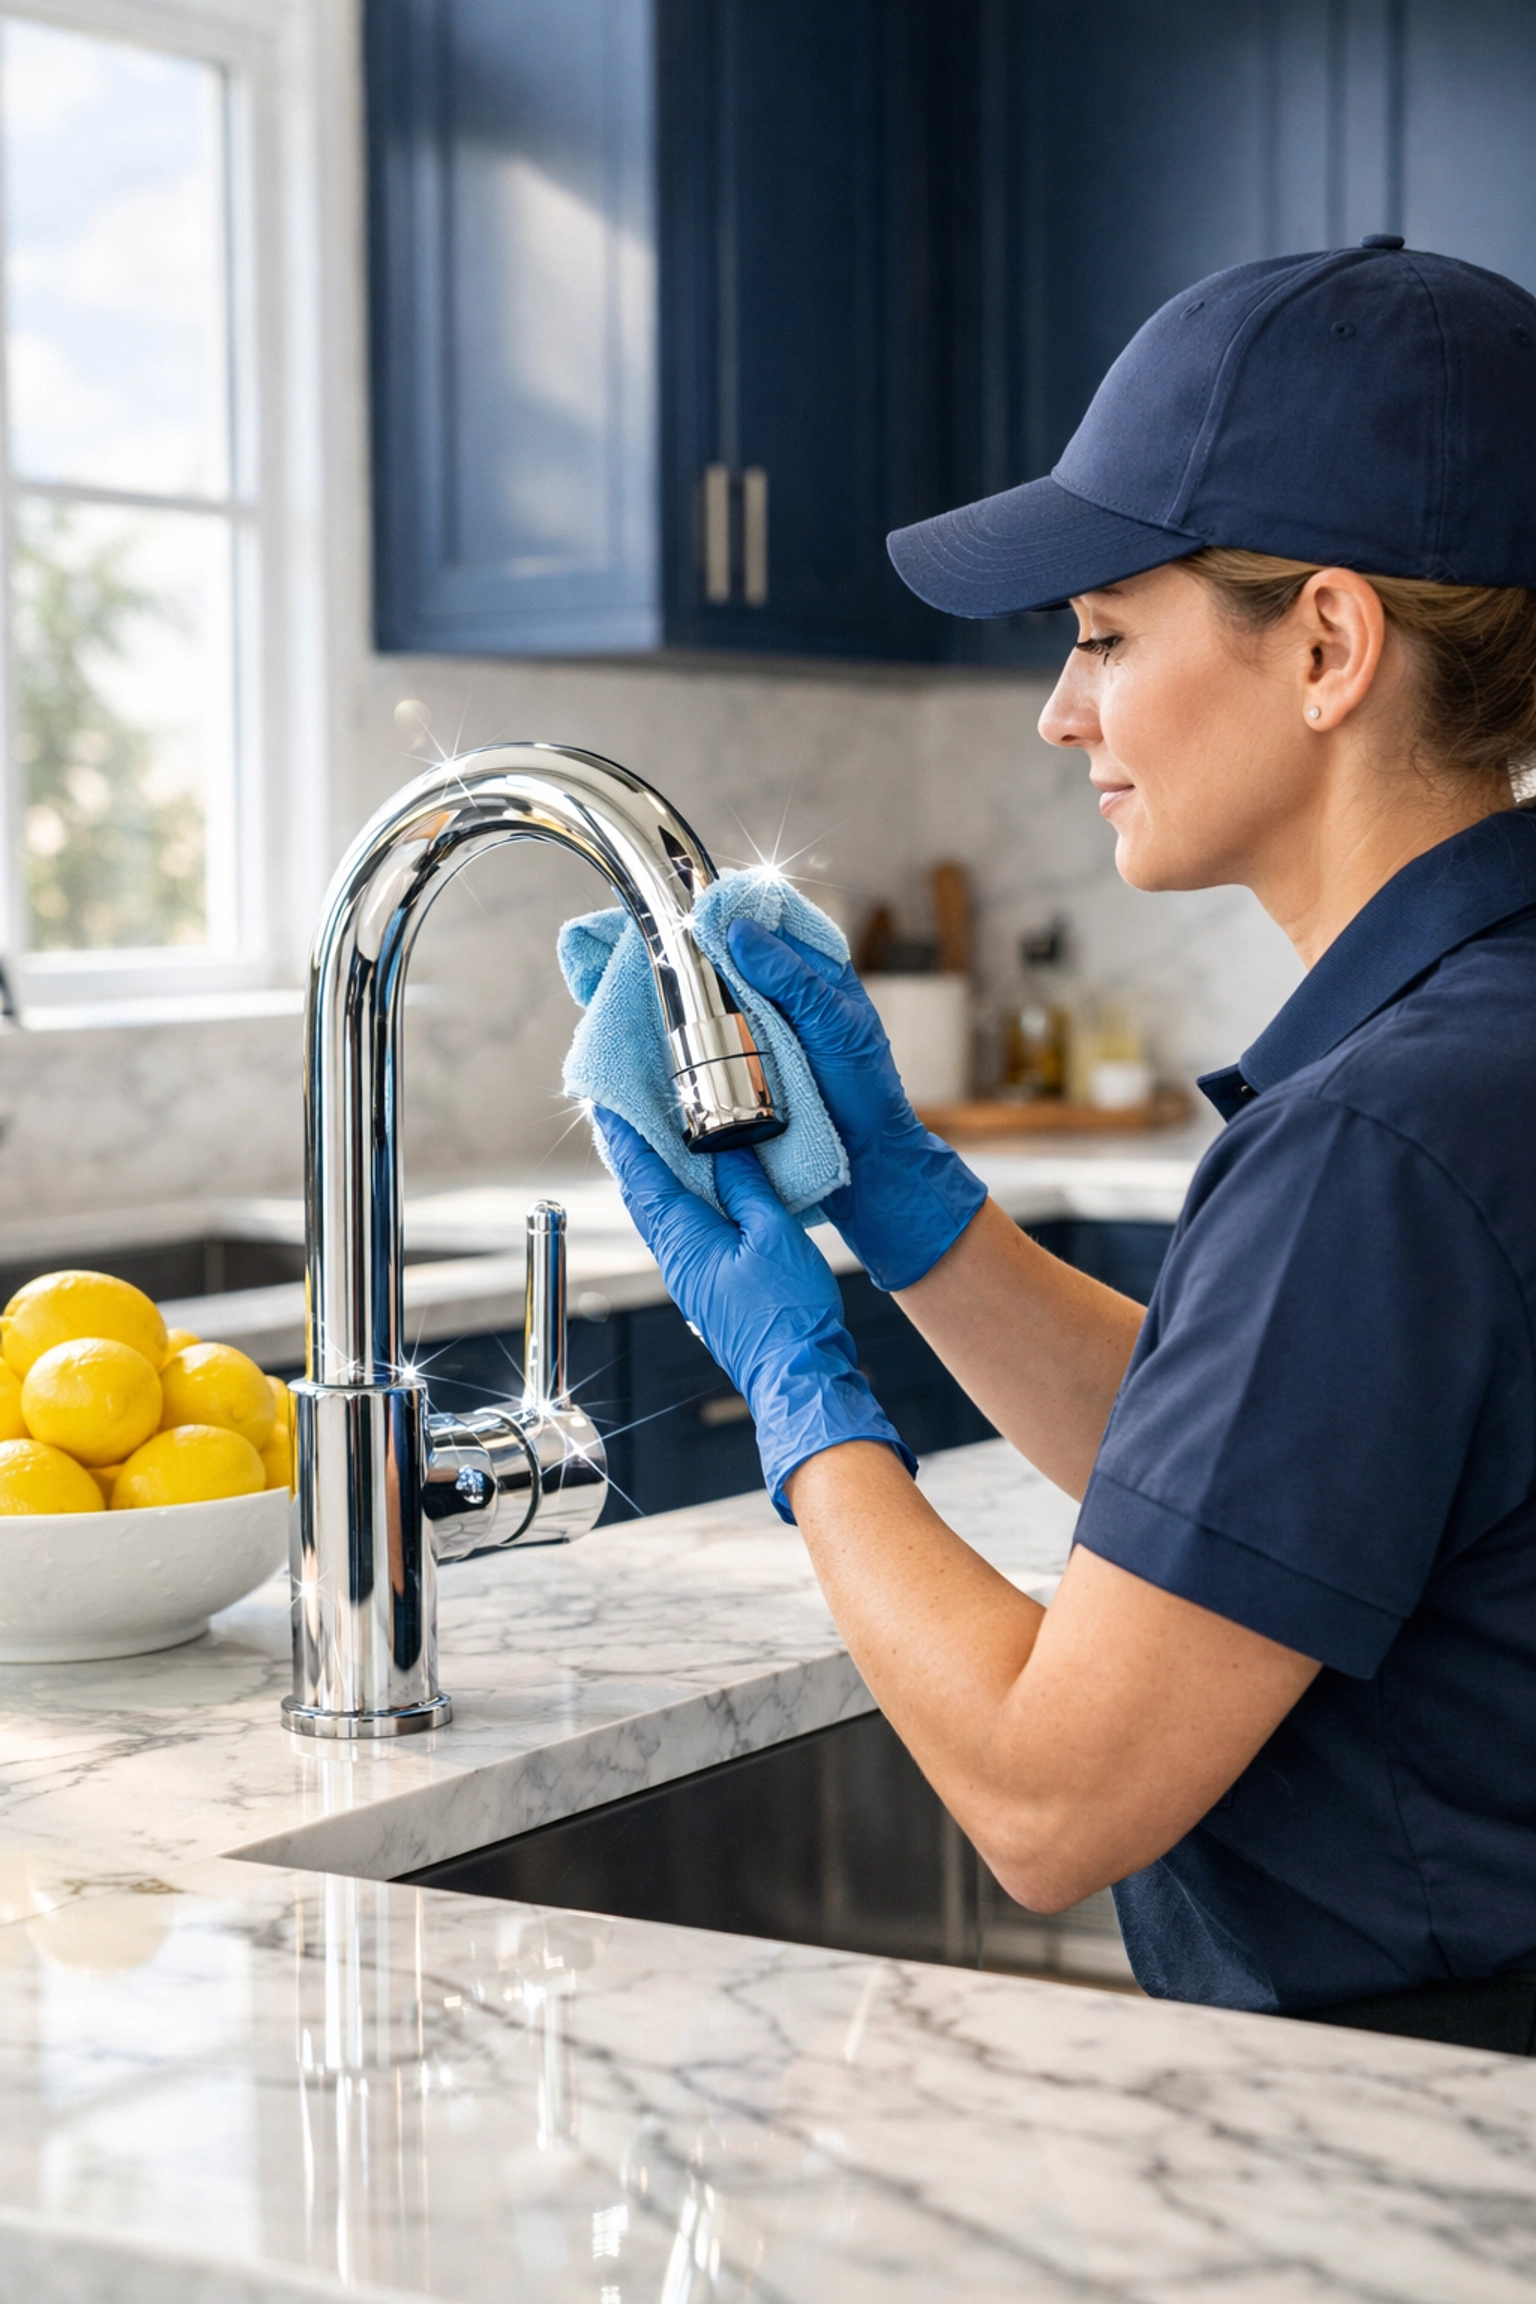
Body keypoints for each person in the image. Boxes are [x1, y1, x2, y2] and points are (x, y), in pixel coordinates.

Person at [597, 238, 1536, 2052]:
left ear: (1329, 643)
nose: (1061, 710)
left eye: (1105, 634)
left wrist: (798, 1383)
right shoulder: (1480, 1047)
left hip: (1425, 2130)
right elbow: (1260, 1479)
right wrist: (907, 1203)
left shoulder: (1380, 1140)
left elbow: (1045, 1800)